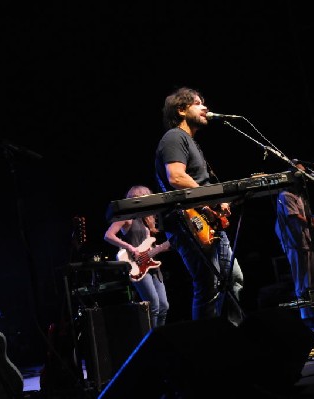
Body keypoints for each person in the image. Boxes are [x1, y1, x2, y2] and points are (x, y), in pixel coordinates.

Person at [154, 86, 244, 326]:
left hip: (205, 221)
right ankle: (208, 348)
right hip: (187, 221)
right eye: (197, 103)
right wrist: (214, 200)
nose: (205, 108)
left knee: (232, 278)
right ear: (182, 110)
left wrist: (215, 206)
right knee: (208, 283)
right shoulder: (174, 137)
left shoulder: (191, 143)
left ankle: (231, 336)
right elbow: (176, 177)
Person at [104, 185, 171, 328]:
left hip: (150, 265)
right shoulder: (127, 217)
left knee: (164, 306)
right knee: (153, 305)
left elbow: (148, 247)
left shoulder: (146, 221)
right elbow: (108, 235)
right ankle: (150, 341)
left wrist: (160, 248)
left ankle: (160, 337)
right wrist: (129, 247)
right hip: (137, 266)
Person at [275, 162, 314, 320]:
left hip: (306, 242)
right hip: (295, 243)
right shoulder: (285, 195)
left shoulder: (300, 195)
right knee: (303, 281)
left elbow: (307, 217)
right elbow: (295, 217)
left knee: (313, 280)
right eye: (301, 174)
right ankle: (307, 316)